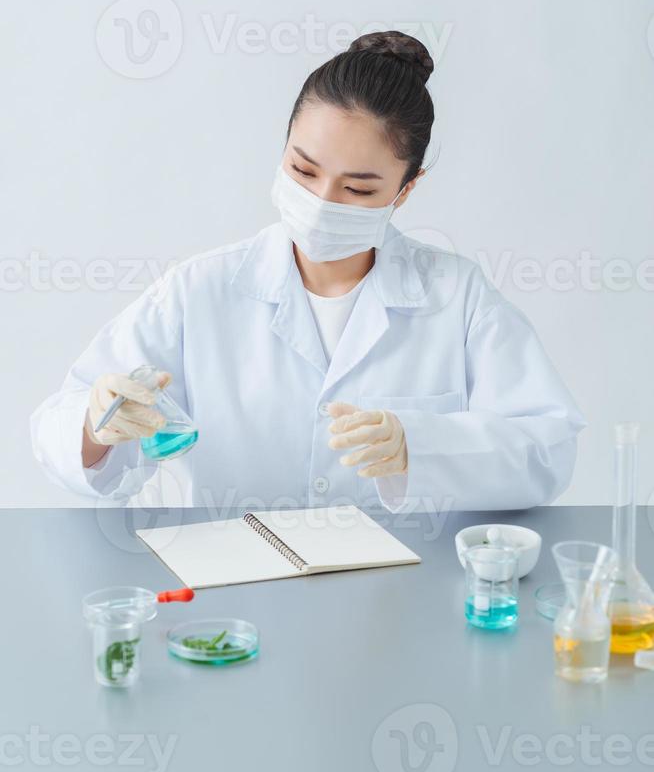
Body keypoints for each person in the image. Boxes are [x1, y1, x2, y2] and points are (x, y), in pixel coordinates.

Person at [31, 31, 585, 511]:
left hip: (400, 592)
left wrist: (422, 445)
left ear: (405, 190)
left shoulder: (457, 297)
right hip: (240, 591)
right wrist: (93, 424)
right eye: (303, 168)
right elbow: (57, 425)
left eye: (358, 188)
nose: (322, 202)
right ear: (283, 150)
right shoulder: (198, 291)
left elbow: (548, 447)